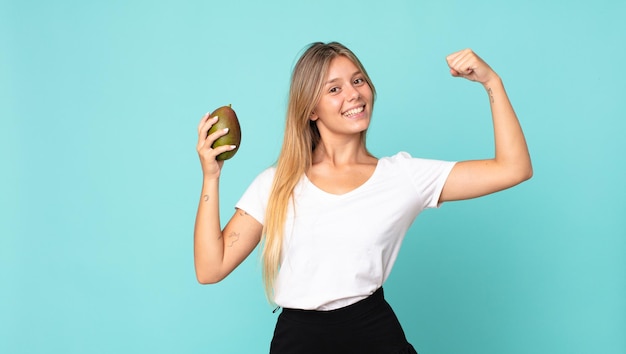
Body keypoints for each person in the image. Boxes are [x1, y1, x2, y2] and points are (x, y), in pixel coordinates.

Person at [194, 41, 532, 354]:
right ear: (311, 109)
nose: (354, 94)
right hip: (298, 342)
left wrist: (493, 83)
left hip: (373, 336)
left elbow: (513, 168)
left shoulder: (403, 176)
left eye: (358, 81)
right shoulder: (278, 184)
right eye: (334, 89)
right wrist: (212, 176)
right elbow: (211, 268)